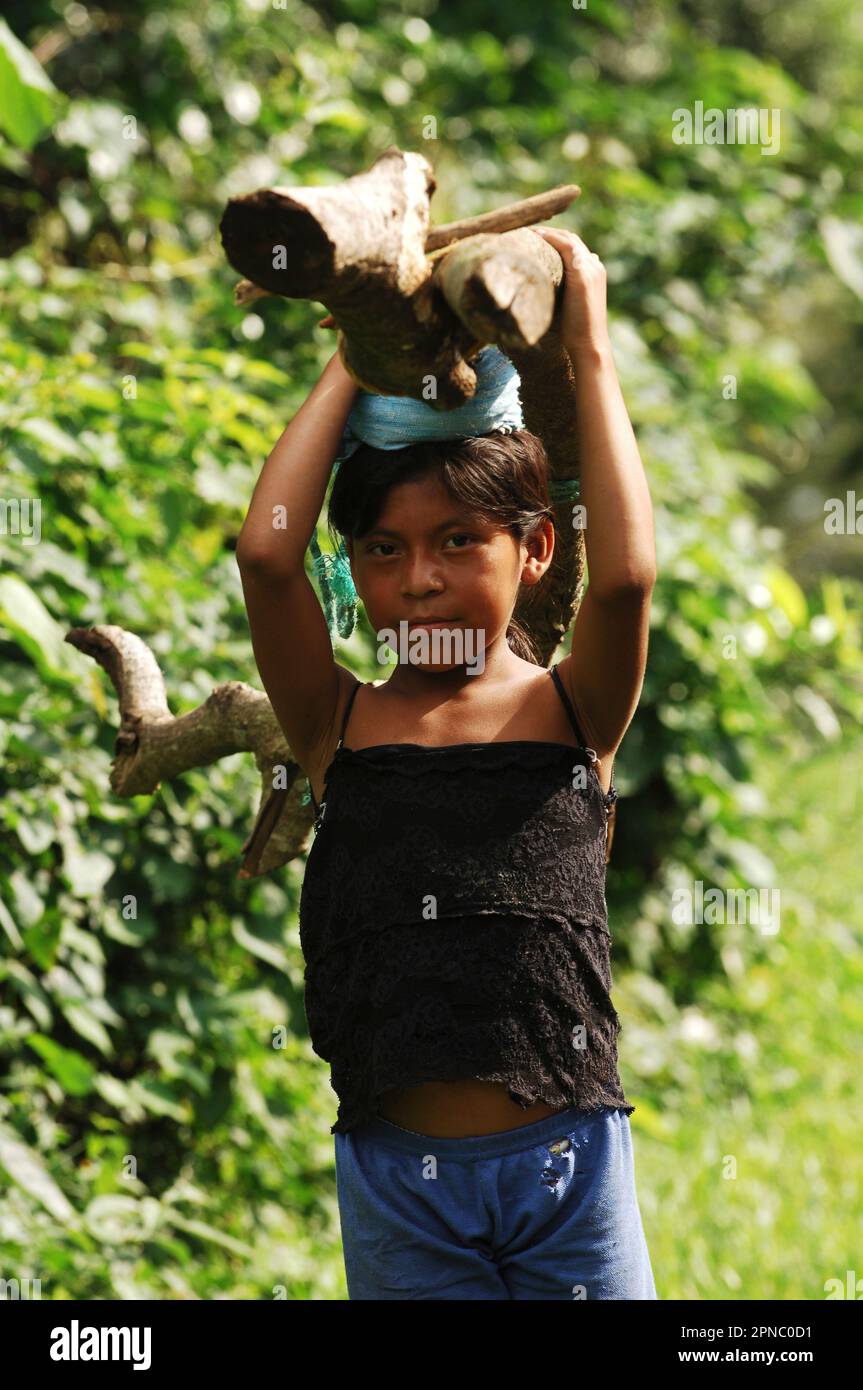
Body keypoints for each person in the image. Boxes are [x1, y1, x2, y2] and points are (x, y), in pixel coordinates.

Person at [236, 225, 657, 1300]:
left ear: (536, 548)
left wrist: (590, 352)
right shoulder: (339, 727)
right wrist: (352, 357)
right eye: (384, 549)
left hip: (568, 1170)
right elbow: (268, 553)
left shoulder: (574, 712)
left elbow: (627, 579)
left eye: (460, 540)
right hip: (397, 1182)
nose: (418, 579)